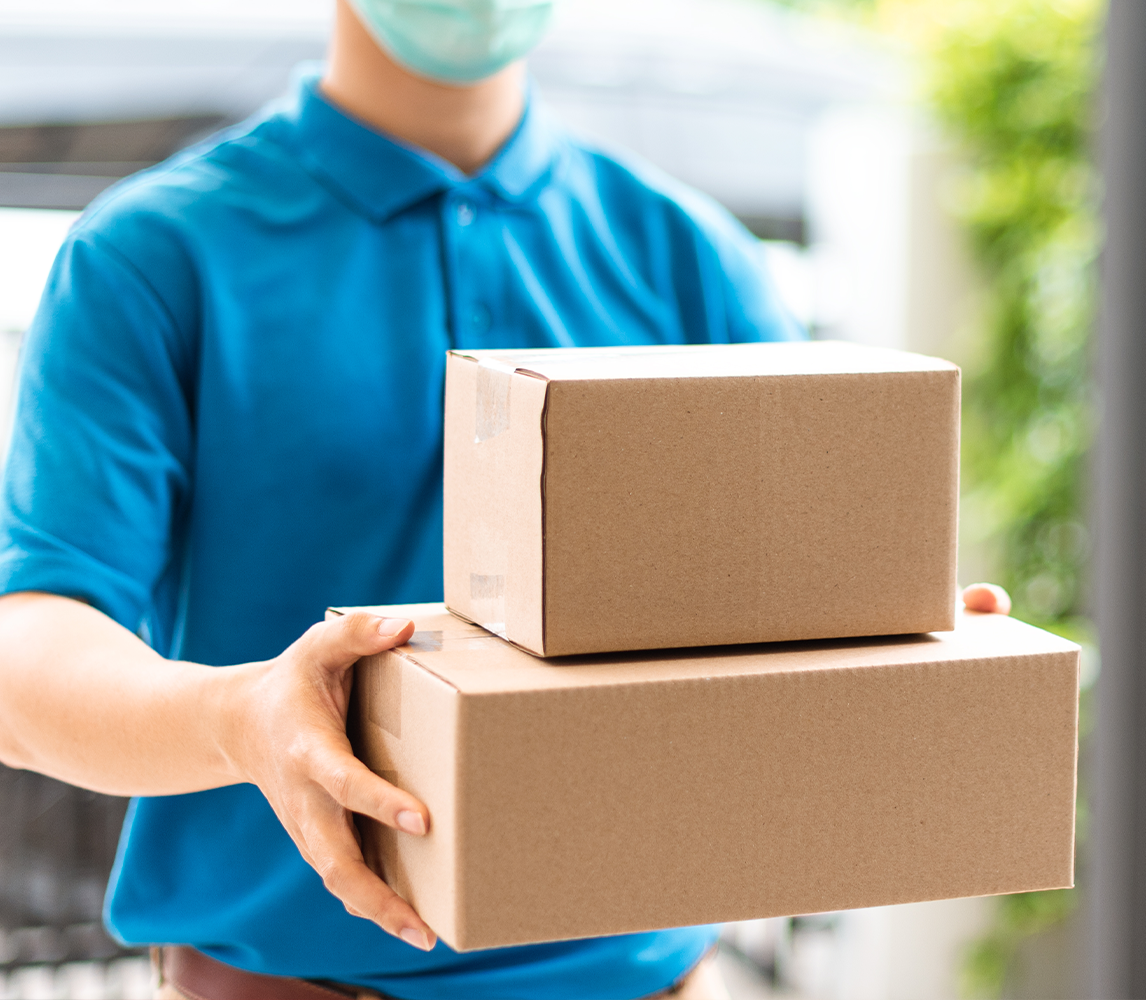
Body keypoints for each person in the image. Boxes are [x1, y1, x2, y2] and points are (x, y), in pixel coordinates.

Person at [0, 0, 1012, 997]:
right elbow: (30, 650)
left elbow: (785, 609)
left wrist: (888, 651)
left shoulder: (688, 256)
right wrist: (241, 716)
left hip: (652, 979)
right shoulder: (152, 256)